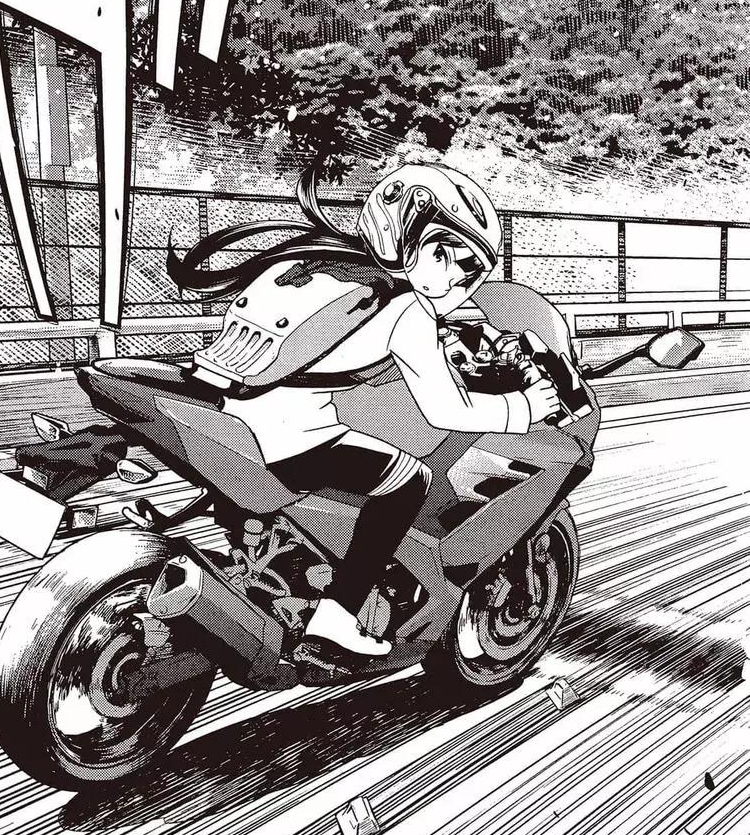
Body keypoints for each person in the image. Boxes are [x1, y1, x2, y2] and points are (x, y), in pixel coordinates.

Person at [167, 163, 560, 663]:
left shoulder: (310, 262)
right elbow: (447, 409)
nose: (459, 281)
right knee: (410, 481)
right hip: (289, 436)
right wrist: (521, 407)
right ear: (420, 244)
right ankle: (338, 616)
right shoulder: (407, 309)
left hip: (227, 411)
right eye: (454, 260)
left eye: (470, 272)